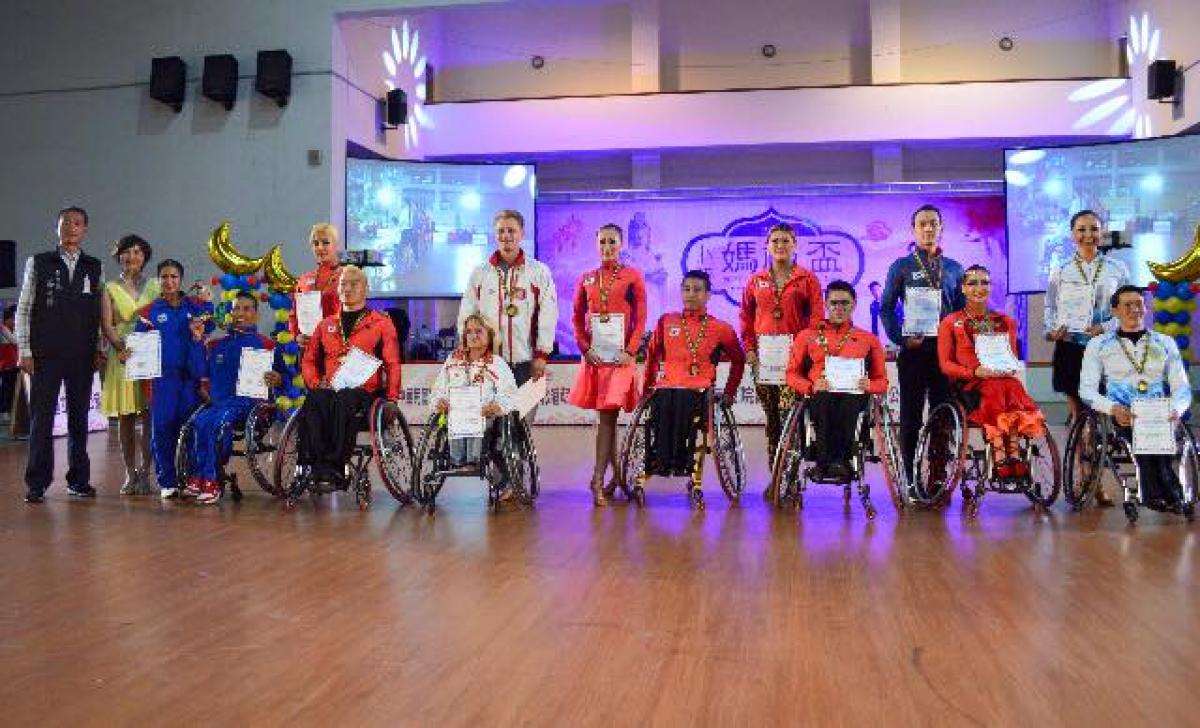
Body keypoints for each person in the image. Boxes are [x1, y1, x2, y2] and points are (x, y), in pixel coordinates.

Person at [17, 206, 105, 504]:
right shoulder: (39, 262)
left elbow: (97, 313)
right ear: (57, 228)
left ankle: (79, 480)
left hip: (81, 355)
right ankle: (37, 483)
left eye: (77, 223)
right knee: (42, 420)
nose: (71, 228)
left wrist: (97, 349)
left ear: (85, 230)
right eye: (65, 223)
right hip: (45, 354)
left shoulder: (94, 266)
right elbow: (25, 309)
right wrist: (24, 350)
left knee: (79, 419)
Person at [1080, 285, 1192, 512]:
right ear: (1115, 311)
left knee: (1157, 433)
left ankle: (1161, 495)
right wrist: (1112, 409)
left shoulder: (1165, 343)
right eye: (1127, 305)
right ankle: (1167, 494)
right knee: (1140, 434)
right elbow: (1087, 390)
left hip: (1160, 412)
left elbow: (1182, 387)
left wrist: (1177, 409)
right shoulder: (1098, 345)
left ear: (1146, 307)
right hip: (1121, 413)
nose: (1134, 310)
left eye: (1139, 304)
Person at [880, 204, 967, 484]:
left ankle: (937, 476)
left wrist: (961, 347)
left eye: (933, 223)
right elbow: (886, 308)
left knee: (943, 415)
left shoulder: (954, 268)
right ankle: (910, 476)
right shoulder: (901, 266)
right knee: (910, 418)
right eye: (922, 224)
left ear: (941, 228)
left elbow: (963, 313)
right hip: (915, 351)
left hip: (946, 356)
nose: (928, 228)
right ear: (914, 230)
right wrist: (902, 338)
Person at [938, 265, 1046, 479]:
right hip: (969, 385)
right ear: (963, 289)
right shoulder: (951, 322)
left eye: (984, 282)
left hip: (1000, 382)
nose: (979, 288)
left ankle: (1013, 452)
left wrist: (1006, 367)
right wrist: (975, 372)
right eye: (972, 283)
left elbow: (1011, 359)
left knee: (1011, 384)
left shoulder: (1005, 321)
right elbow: (945, 365)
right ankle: (1000, 453)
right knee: (998, 387)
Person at [297, 266, 402, 487]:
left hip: (364, 394)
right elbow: (308, 359)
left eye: (354, 283)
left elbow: (392, 364)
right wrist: (317, 382)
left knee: (346, 399)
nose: (348, 287)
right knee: (315, 398)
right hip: (331, 389)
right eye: (343, 283)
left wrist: (392, 399)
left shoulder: (381, 323)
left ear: (366, 289)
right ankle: (317, 467)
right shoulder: (326, 324)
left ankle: (336, 468)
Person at [642, 270, 745, 492]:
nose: (691, 294)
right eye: (686, 289)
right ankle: (657, 461)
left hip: (699, 391)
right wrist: (645, 391)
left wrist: (729, 392)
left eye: (697, 290)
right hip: (667, 387)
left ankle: (681, 463)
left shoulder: (721, 328)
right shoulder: (666, 322)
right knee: (665, 400)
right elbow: (651, 358)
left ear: (708, 295)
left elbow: (739, 360)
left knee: (683, 399)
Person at [740, 223, 823, 496]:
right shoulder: (755, 281)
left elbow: (816, 321)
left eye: (785, 240)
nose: (780, 245)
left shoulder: (807, 279)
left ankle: (790, 478)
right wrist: (749, 349)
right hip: (763, 360)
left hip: (794, 362)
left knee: (790, 419)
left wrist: (806, 353)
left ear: (795, 244)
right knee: (773, 421)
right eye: (775, 240)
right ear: (767, 245)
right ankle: (775, 477)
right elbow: (745, 319)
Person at [568, 223, 647, 506]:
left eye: (612, 242)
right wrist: (584, 347)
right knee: (608, 419)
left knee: (608, 416)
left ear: (621, 244)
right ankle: (614, 479)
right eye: (602, 242)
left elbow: (641, 318)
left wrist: (631, 350)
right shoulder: (586, 279)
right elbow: (576, 317)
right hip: (596, 358)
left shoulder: (632, 277)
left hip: (622, 359)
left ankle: (598, 479)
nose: (607, 247)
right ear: (596, 244)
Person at [183, 291, 283, 504]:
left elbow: (285, 378)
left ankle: (211, 481)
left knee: (216, 422)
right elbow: (199, 371)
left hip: (250, 405)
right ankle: (199, 475)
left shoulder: (266, 345)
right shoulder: (217, 345)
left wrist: (278, 378)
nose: (240, 313)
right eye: (236, 308)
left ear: (255, 314)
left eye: (246, 309)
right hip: (219, 404)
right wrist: (196, 340)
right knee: (199, 421)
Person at [785, 280, 887, 482]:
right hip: (819, 395)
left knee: (850, 403)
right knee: (823, 400)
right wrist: (810, 386)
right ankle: (824, 463)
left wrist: (870, 385)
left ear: (854, 304)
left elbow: (882, 381)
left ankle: (842, 462)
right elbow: (791, 374)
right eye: (834, 303)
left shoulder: (869, 339)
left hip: (854, 397)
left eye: (845, 303)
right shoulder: (807, 336)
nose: (839, 308)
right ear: (825, 304)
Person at [1044, 210, 1129, 445]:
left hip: (1106, 348)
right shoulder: (1060, 269)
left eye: (1094, 229)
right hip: (1071, 346)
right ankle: (1082, 468)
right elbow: (1050, 306)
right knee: (1078, 412)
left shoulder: (1118, 268)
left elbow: (1129, 308)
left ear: (1102, 233)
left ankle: (1098, 459)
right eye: (1081, 229)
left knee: (1101, 408)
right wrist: (1051, 330)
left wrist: (1105, 326)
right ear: (1072, 234)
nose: (1088, 235)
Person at [130, 260, 214, 499]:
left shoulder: (195, 306)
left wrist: (208, 300)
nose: (169, 281)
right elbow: (137, 341)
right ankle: (167, 481)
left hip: (190, 380)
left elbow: (210, 325)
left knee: (189, 429)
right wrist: (129, 353)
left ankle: (191, 478)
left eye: (174, 277)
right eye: (164, 277)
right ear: (158, 280)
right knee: (163, 429)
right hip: (162, 380)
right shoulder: (150, 311)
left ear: (181, 280)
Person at [458, 210, 557, 387]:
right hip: (487, 362)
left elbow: (548, 316)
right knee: (489, 414)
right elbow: (467, 315)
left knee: (524, 415)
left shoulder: (538, 272)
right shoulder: (480, 273)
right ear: (495, 235)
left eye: (511, 230)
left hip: (526, 362)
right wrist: (468, 350)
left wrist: (542, 355)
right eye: (501, 231)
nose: (506, 236)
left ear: (522, 233)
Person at [99, 234, 159, 495]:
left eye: (137, 252)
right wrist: (122, 349)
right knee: (126, 419)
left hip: (150, 358)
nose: (131, 256)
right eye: (126, 252)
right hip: (122, 357)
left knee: (149, 417)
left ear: (144, 257)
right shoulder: (109, 288)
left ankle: (146, 472)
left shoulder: (157, 285)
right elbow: (107, 324)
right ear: (118, 256)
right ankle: (129, 472)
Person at [430, 313, 518, 475]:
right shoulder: (453, 360)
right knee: (455, 421)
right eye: (469, 332)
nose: (473, 336)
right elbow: (438, 389)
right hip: (455, 415)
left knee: (477, 423)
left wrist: (496, 406)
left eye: (479, 331)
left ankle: (473, 460)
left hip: (484, 415)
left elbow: (509, 394)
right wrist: (439, 401)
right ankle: (456, 461)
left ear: (490, 335)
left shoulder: (497, 363)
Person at [290, 222, 343, 347]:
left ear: (336, 245)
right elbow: (294, 313)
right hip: (309, 348)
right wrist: (297, 336)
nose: (320, 247)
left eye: (325, 242)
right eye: (315, 243)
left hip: (336, 348)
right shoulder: (304, 279)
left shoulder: (347, 276)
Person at [0, 304, 18, 424]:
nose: (15, 321)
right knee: (6, 389)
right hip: (4, 365)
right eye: (13, 319)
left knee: (11, 389)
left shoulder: (10, 329)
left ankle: (10, 410)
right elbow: (15, 341)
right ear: (7, 319)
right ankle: (4, 411)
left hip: (13, 365)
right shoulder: (2, 328)